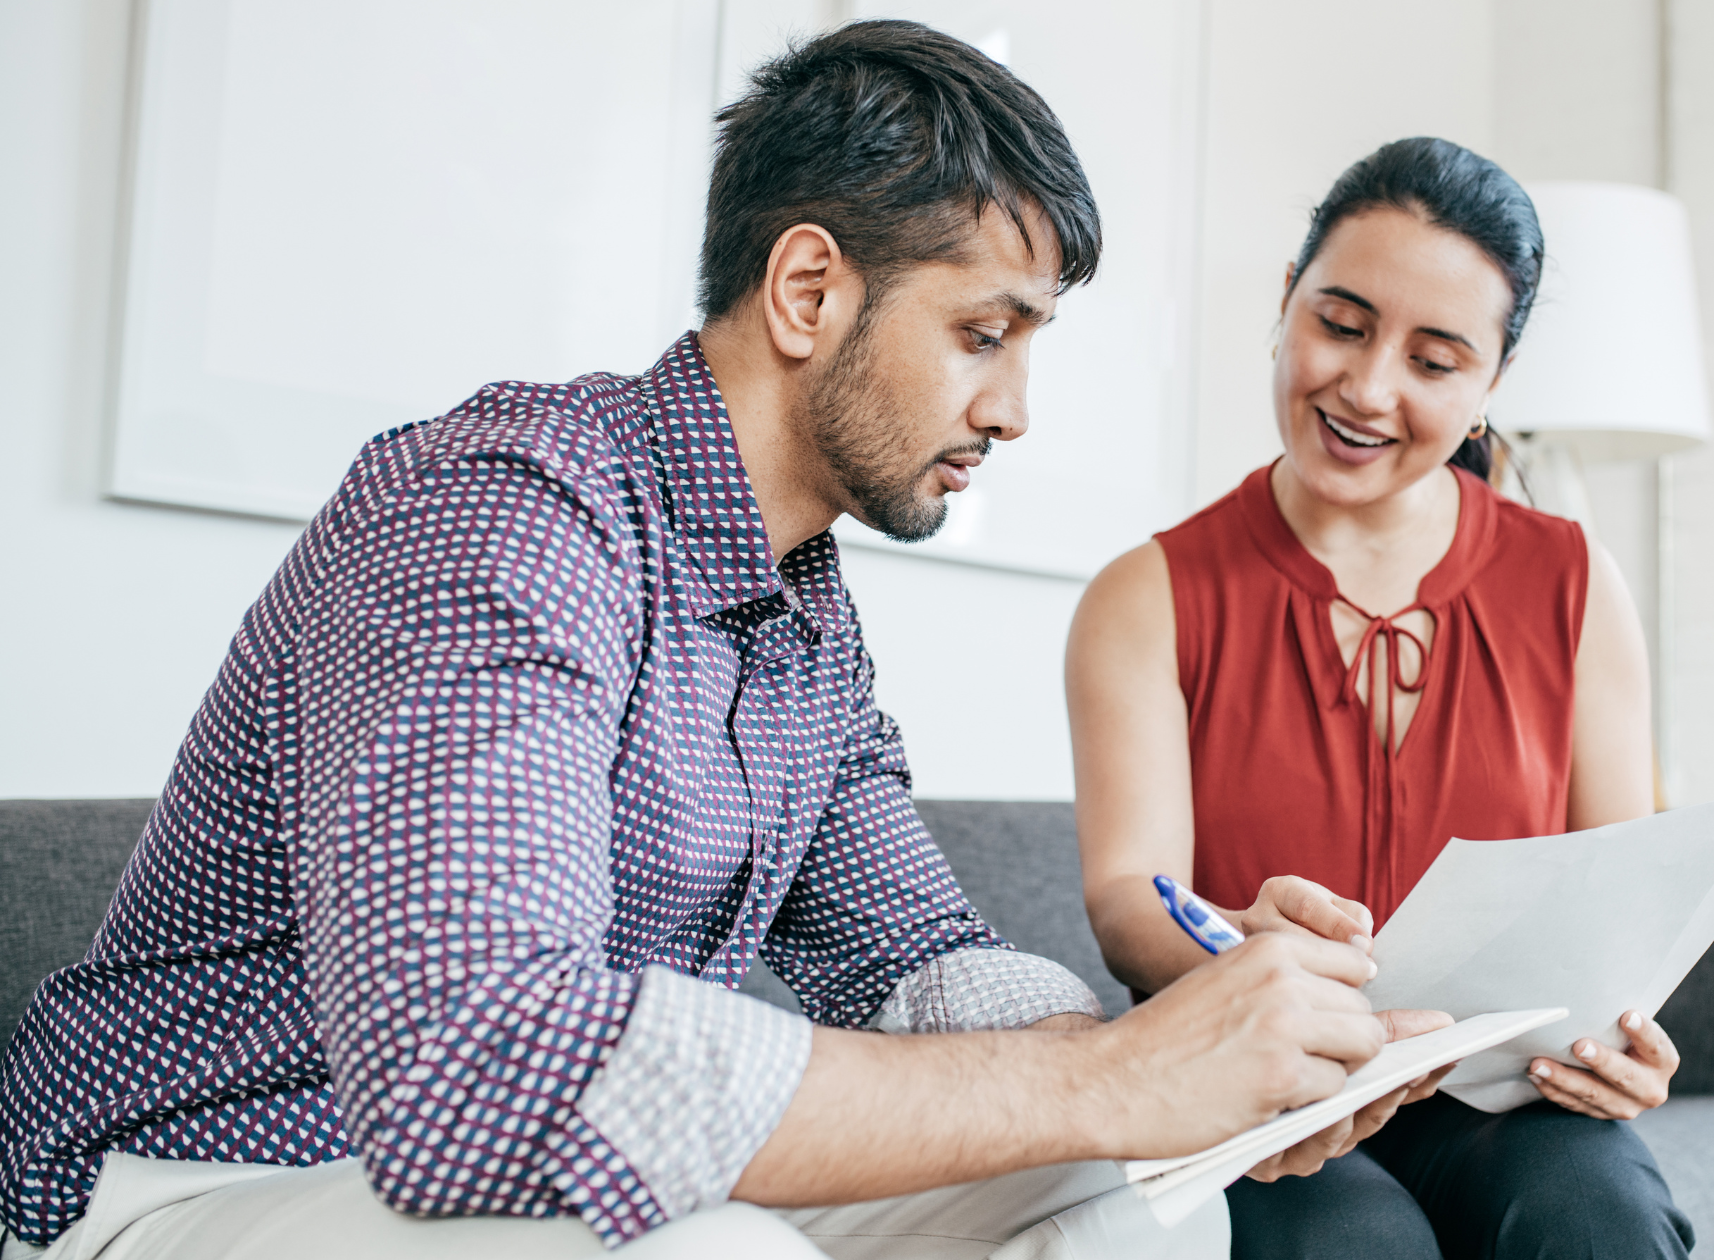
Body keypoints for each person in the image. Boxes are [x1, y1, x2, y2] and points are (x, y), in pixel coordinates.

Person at [0, 23, 1408, 1260]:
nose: (1014, 410)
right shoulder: (506, 513)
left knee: (1123, 1197)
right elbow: (474, 1067)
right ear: (809, 290)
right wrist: (1112, 1082)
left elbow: (925, 963)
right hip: (188, 1184)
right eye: (987, 333)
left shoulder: (802, 617)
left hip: (481, 1199)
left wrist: (1202, 1046)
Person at [1066, 137, 1698, 1260]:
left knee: (1599, 1219)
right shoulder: (1145, 595)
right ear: (1285, 304)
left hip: (1502, 1093)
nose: (1365, 389)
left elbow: (1620, 896)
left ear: (1489, 386)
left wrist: (1632, 1035)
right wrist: (1236, 954)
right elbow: (1126, 897)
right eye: (1341, 324)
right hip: (1259, 1087)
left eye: (1434, 359)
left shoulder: (1573, 582)